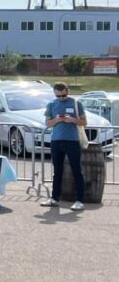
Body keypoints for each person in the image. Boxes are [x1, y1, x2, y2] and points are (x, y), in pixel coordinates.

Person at [42, 81, 87, 211]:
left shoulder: (76, 104)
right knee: (57, 171)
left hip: (72, 141)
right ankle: (54, 198)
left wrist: (72, 119)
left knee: (76, 171)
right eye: (59, 96)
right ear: (54, 94)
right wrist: (57, 119)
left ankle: (80, 200)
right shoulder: (51, 105)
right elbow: (48, 123)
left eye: (64, 95)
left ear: (67, 91)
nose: (61, 98)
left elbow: (84, 122)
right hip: (56, 141)